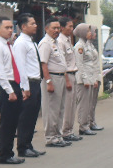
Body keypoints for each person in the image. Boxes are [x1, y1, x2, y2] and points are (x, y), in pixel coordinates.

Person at [0, 16, 26, 165]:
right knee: (6, 122)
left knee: (13, 121)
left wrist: (20, 88)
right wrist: (9, 90)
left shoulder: (8, 45)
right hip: (6, 85)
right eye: (7, 28)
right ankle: (4, 154)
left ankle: (10, 152)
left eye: (12, 27)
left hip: (14, 84)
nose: (10, 30)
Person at [12, 12, 45, 158]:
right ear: (23, 26)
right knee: (25, 117)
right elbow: (20, 67)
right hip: (29, 83)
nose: (36, 26)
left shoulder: (31, 42)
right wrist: (24, 88)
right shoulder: (20, 43)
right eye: (32, 23)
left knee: (33, 116)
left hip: (36, 82)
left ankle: (28, 144)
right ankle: (22, 147)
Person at [38, 16, 71, 149]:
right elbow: (43, 64)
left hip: (60, 77)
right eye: (54, 28)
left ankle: (58, 135)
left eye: (58, 28)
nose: (57, 30)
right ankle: (50, 137)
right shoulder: (45, 43)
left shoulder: (56, 42)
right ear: (47, 29)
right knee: (51, 109)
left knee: (60, 108)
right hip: (52, 78)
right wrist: (49, 82)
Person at [73, 23, 102, 135]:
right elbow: (80, 65)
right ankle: (83, 126)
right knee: (83, 105)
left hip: (90, 78)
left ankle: (88, 124)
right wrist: (85, 79)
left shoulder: (87, 45)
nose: (91, 33)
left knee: (89, 103)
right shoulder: (79, 46)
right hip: (83, 79)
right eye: (89, 31)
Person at [59, 17, 82, 142]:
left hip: (73, 74)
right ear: (62, 27)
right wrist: (67, 79)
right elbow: (62, 63)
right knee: (67, 105)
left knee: (72, 104)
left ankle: (69, 130)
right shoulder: (60, 42)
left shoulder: (68, 40)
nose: (71, 29)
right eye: (69, 26)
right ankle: (64, 132)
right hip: (67, 75)